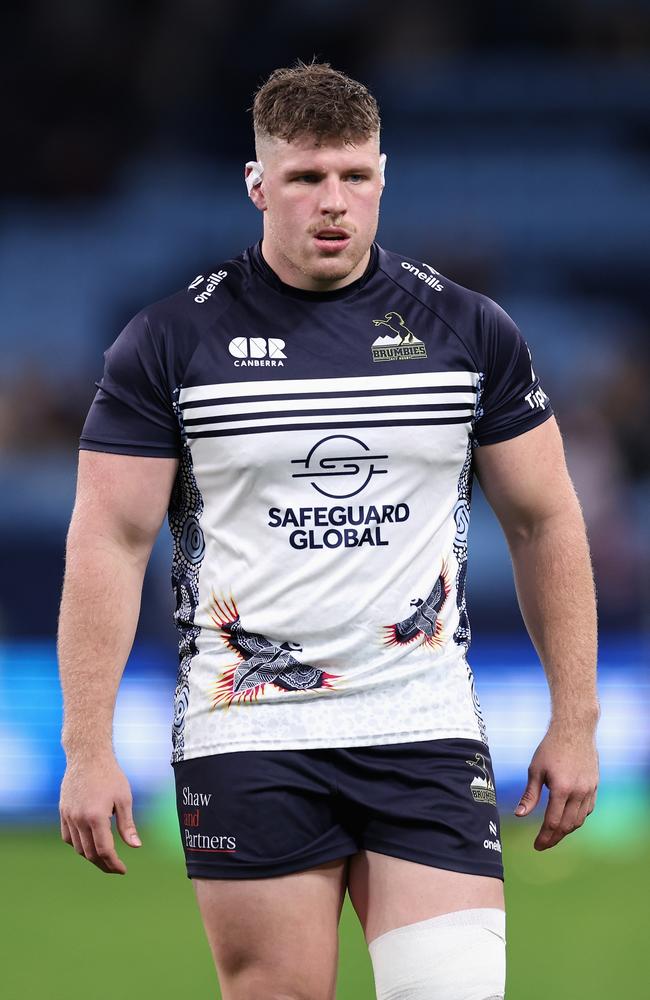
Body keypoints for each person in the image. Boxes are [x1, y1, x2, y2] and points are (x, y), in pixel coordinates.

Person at [58, 61, 600, 1000]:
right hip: (249, 729)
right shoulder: (171, 342)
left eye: (355, 176)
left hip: (421, 719)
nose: (334, 202)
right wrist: (87, 746)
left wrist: (577, 717)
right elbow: (110, 538)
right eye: (307, 177)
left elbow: (545, 518)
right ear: (258, 185)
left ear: (384, 178)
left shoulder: (468, 332)